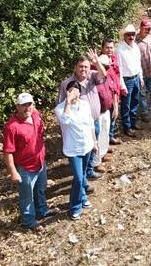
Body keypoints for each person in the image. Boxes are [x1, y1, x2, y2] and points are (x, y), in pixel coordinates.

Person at [2, 92, 49, 231]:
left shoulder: (35, 115)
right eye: (23, 105)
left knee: (40, 189)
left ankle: (42, 211)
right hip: (25, 168)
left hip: (40, 162)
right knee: (26, 197)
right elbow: (8, 151)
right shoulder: (12, 127)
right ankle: (28, 222)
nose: (27, 107)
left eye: (29, 104)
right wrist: (13, 172)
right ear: (17, 107)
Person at [58, 50, 105, 180]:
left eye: (86, 66)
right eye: (81, 66)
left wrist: (97, 62)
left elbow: (103, 75)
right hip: (77, 127)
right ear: (75, 67)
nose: (83, 69)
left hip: (94, 121)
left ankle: (89, 171)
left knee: (91, 149)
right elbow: (61, 105)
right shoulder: (67, 84)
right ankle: (82, 179)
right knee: (82, 150)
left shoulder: (92, 76)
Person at [55, 81, 98, 220]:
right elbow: (65, 121)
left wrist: (94, 142)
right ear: (67, 92)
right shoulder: (60, 108)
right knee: (78, 178)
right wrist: (67, 102)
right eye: (71, 90)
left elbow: (90, 123)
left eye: (77, 90)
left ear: (80, 92)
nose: (74, 93)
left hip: (87, 146)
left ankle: (83, 197)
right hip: (73, 149)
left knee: (83, 175)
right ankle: (75, 207)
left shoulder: (84, 105)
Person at [94, 53, 121, 170]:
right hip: (97, 113)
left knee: (105, 134)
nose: (105, 67)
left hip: (106, 111)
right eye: (103, 65)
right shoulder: (94, 77)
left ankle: (103, 154)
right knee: (97, 136)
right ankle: (96, 162)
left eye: (106, 65)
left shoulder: (109, 75)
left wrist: (115, 105)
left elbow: (114, 90)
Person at [116, 24, 143, 137]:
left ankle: (133, 122)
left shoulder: (135, 47)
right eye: (129, 35)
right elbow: (119, 69)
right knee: (126, 105)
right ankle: (127, 127)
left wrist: (140, 78)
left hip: (136, 77)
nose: (131, 37)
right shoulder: (120, 50)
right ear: (124, 36)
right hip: (127, 80)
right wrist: (122, 85)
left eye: (133, 34)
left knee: (135, 102)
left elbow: (138, 63)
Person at [100, 39, 126, 146]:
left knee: (113, 115)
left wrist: (122, 87)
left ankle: (110, 137)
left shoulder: (114, 59)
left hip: (115, 93)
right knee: (104, 121)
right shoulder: (101, 62)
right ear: (102, 48)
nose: (109, 50)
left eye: (111, 47)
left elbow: (118, 76)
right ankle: (103, 144)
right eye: (107, 47)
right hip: (105, 96)